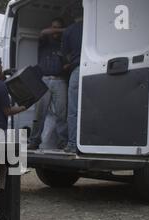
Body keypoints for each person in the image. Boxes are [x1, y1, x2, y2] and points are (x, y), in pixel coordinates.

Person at [28, 17, 68, 150]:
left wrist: (64, 67)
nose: (54, 30)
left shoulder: (63, 44)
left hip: (59, 80)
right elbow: (44, 32)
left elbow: (67, 62)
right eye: (53, 27)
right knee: (39, 113)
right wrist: (63, 29)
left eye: (57, 27)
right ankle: (34, 141)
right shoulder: (44, 41)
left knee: (62, 113)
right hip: (44, 80)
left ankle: (63, 142)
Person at [62, 4, 84, 153]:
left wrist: (69, 63)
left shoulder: (69, 30)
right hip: (96, 69)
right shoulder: (92, 27)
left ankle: (72, 144)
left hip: (77, 69)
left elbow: (65, 54)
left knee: (73, 110)